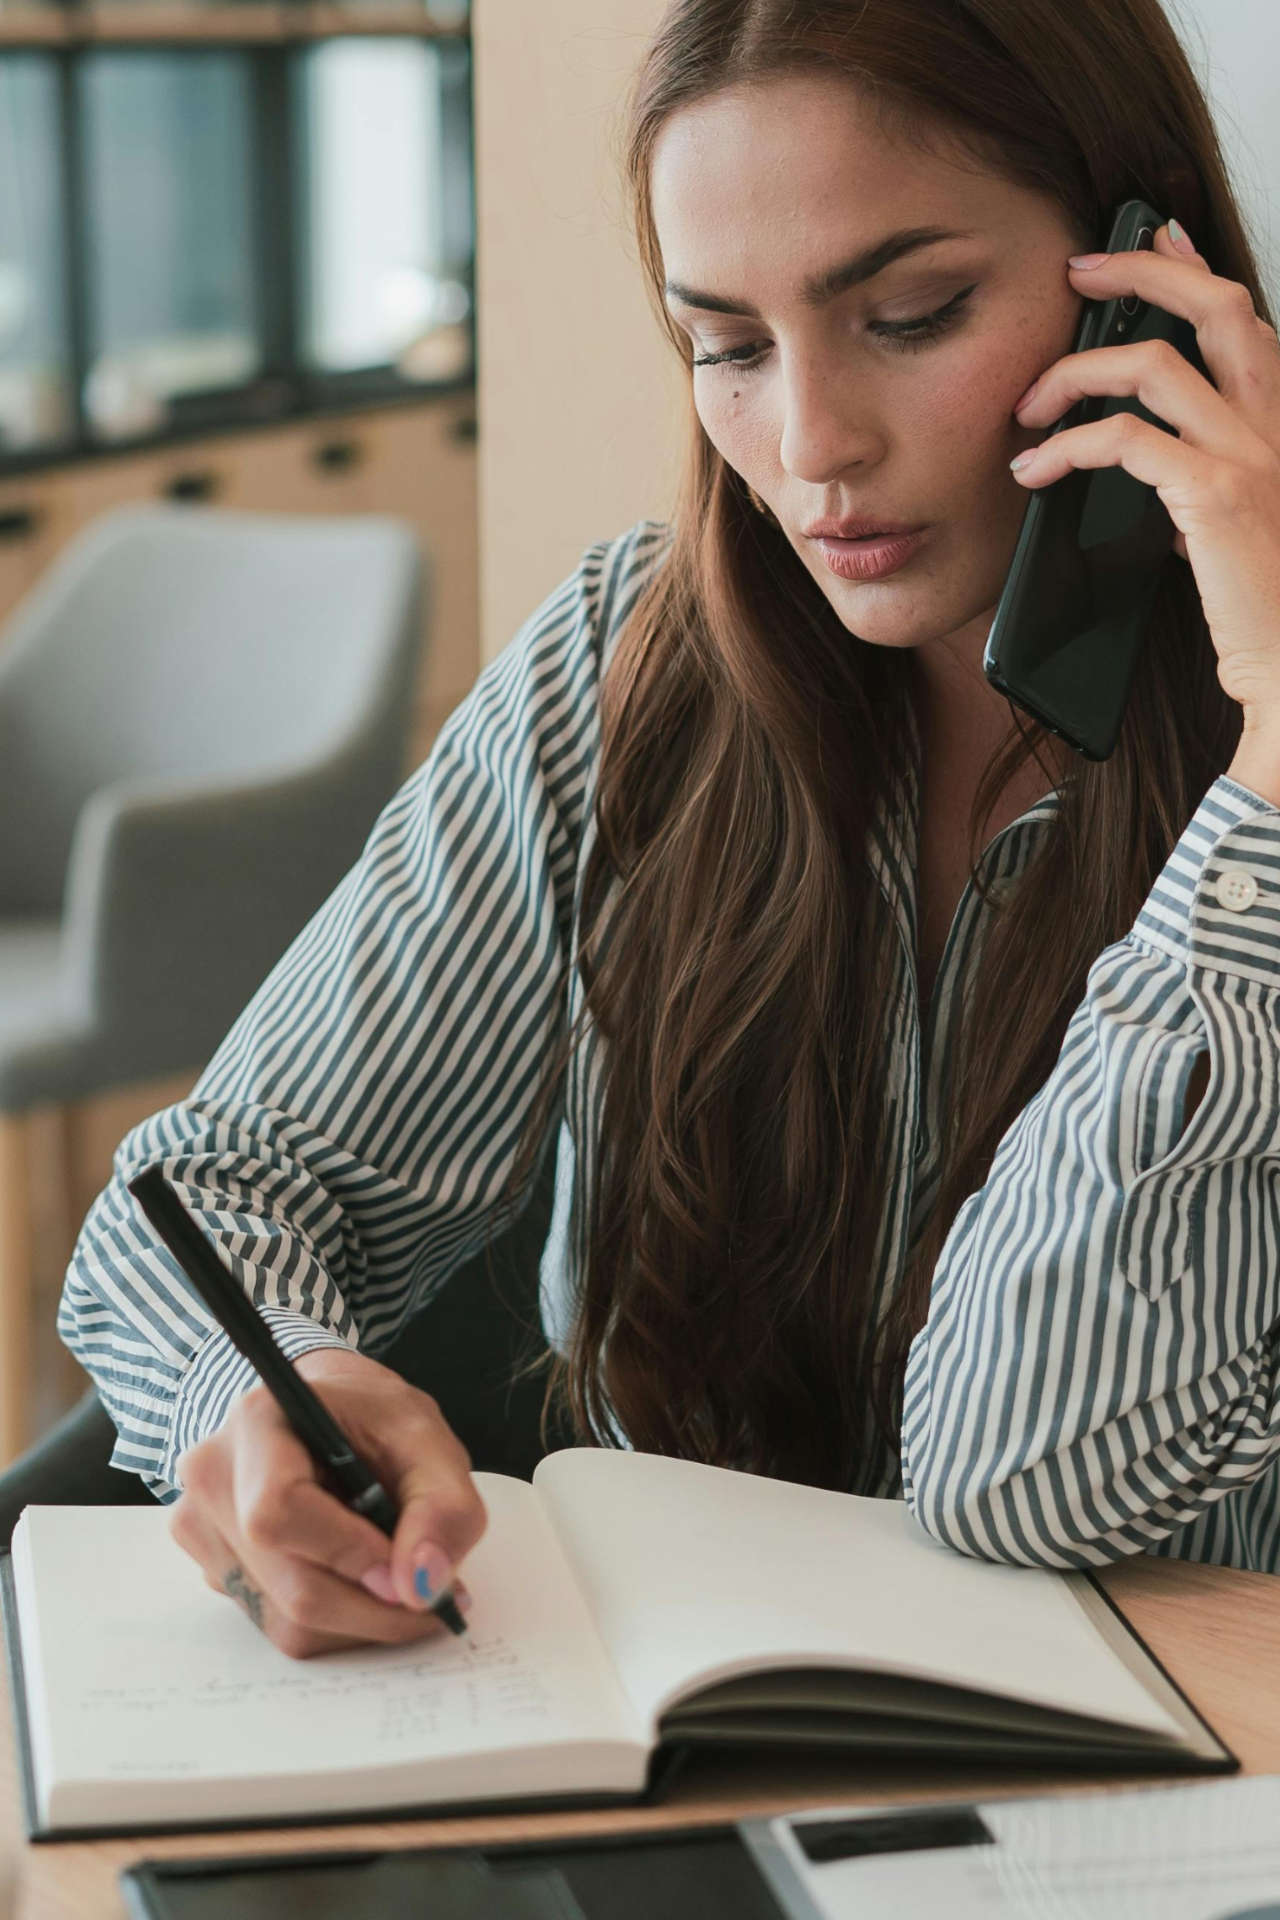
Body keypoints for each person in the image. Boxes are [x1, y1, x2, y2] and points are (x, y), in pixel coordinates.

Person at [56, 0, 1280, 1658]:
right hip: (690, 1777)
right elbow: (201, 1197)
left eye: (911, 315)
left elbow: (1023, 1479)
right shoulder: (632, 662)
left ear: (1151, 277)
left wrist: (1271, 782)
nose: (812, 446)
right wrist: (283, 1389)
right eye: (728, 346)